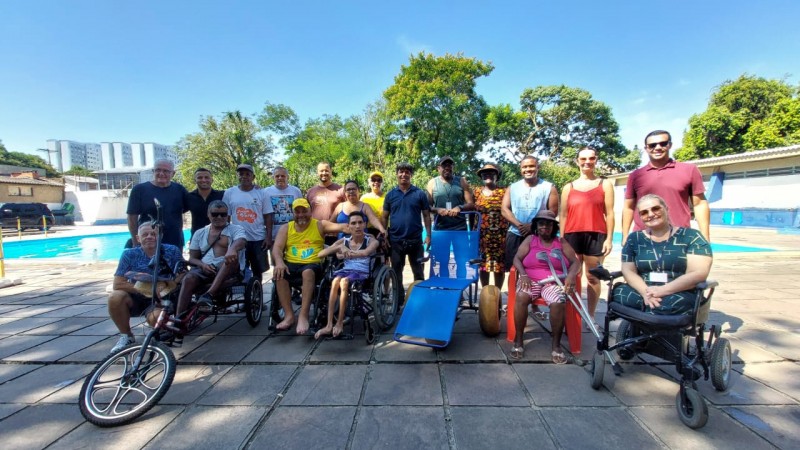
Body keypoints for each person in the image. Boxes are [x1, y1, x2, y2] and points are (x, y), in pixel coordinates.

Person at [615, 194, 713, 315]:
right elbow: (628, 270)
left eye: (656, 208)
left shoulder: (691, 237)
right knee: (619, 295)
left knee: (666, 305)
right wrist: (646, 292)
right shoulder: (634, 238)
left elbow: (698, 273)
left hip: (679, 290)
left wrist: (663, 290)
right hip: (643, 288)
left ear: (666, 209)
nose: (650, 214)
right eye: (644, 212)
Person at [510, 211, 580, 363]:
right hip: (531, 280)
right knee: (521, 296)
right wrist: (523, 274)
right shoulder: (530, 239)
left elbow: (575, 262)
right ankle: (519, 339)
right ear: (536, 226)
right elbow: (517, 258)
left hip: (553, 281)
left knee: (557, 303)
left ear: (553, 226)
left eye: (549, 224)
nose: (545, 227)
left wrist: (571, 275)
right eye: (541, 224)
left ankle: (556, 345)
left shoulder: (560, 242)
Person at [272, 198, 347, 335]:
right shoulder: (286, 228)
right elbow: (277, 248)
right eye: (297, 212)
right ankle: (289, 316)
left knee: (307, 272)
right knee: (279, 274)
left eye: (304, 211)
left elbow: (344, 227)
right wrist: (279, 262)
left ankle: (303, 316)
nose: (301, 215)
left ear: (310, 211)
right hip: (291, 264)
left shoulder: (319, 225)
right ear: (293, 213)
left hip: (313, 265)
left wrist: (360, 229)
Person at [107, 222, 185, 353]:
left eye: (153, 234)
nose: (149, 237)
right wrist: (147, 289)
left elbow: (183, 273)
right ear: (138, 238)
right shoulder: (129, 254)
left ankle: (158, 328)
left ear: (160, 236)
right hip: (137, 295)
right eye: (145, 234)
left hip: (161, 297)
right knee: (115, 297)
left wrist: (170, 284)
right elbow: (118, 283)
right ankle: (126, 336)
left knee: (155, 319)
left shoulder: (172, 251)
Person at [622, 130, 710, 245]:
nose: (657, 147)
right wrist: (625, 236)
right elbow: (629, 207)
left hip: (679, 238)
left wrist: (705, 236)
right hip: (643, 239)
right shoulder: (636, 176)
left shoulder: (689, 170)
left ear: (670, 145)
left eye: (663, 143)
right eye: (652, 145)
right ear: (646, 148)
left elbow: (699, 204)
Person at [559, 147, 615, 328]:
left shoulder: (604, 184)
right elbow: (564, 215)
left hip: (595, 235)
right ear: (577, 161)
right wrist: (561, 238)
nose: (587, 162)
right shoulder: (569, 187)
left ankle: (590, 314)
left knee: (593, 277)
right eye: (583, 159)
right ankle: (571, 315)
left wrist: (609, 239)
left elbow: (610, 213)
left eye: (591, 158)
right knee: (573, 276)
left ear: (596, 160)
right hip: (572, 236)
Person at [501, 155, 559, 318]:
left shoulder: (548, 187)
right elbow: (504, 209)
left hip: (538, 236)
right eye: (525, 167)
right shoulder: (513, 187)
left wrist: (532, 226)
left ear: (537, 167)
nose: (528, 170)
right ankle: (512, 301)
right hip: (515, 233)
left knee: (536, 269)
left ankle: (534, 305)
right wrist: (520, 225)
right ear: (521, 169)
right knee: (514, 270)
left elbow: (552, 211)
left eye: (531, 166)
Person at [314, 212, 379, 339]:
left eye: (360, 222)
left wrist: (345, 252)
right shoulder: (344, 240)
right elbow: (321, 254)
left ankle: (339, 323)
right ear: (348, 227)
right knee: (335, 281)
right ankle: (328, 325)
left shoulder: (371, 240)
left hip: (362, 273)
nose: (357, 226)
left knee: (343, 281)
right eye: (353, 223)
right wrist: (339, 248)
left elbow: (365, 252)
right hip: (346, 271)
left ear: (365, 224)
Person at [175, 200, 246, 317]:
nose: (219, 217)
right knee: (189, 278)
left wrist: (232, 249)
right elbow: (192, 258)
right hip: (206, 268)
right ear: (208, 214)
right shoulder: (200, 233)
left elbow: (241, 240)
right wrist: (203, 265)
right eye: (215, 214)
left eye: (223, 214)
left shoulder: (235, 229)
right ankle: (179, 317)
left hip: (229, 269)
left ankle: (209, 295)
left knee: (230, 259)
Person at [382, 162, 432, 298]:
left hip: (415, 240)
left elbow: (427, 215)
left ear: (411, 175)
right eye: (401, 172)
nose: (403, 174)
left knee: (419, 272)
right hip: (396, 241)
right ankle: (398, 302)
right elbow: (385, 217)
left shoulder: (420, 194)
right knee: (396, 272)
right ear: (397, 174)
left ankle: (419, 300)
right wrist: (384, 233)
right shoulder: (390, 195)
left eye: (407, 172)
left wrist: (428, 235)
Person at [222, 164, 273, 282]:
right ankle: (244, 297)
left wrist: (268, 237)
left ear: (253, 177)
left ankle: (257, 295)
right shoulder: (229, 193)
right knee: (239, 270)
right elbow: (226, 217)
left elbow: (268, 216)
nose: (244, 177)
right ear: (237, 176)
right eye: (241, 174)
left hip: (258, 239)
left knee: (258, 271)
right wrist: (226, 237)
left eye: (247, 174)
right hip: (238, 239)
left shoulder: (262, 193)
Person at [426, 155, 474, 278]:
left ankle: (460, 292)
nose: (447, 168)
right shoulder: (432, 183)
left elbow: (471, 204)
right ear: (438, 168)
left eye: (450, 165)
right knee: (442, 261)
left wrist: (460, 208)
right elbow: (427, 207)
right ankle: (445, 288)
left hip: (460, 229)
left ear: (453, 167)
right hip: (441, 229)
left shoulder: (461, 181)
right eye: (444, 165)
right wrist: (438, 210)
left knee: (462, 261)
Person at [126, 159, 189, 249]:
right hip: (148, 241)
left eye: (166, 171)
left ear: (173, 173)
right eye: (158, 170)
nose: (161, 173)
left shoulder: (180, 190)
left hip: (174, 241)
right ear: (153, 171)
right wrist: (135, 240)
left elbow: (190, 207)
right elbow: (131, 218)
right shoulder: (139, 190)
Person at [474, 163, 509, 288]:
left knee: (498, 267)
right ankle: (486, 296)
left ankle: (497, 297)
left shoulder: (504, 191)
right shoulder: (476, 192)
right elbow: (473, 213)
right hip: (482, 237)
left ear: (497, 175)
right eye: (485, 173)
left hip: (500, 236)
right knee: (484, 266)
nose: (487, 175)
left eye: (491, 173)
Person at [306, 162, 344, 244]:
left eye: (326, 170)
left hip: (334, 235)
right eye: (321, 171)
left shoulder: (340, 190)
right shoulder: (310, 192)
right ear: (317, 172)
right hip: (315, 233)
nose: (324, 173)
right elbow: (307, 213)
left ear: (331, 171)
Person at [263, 166, 303, 242]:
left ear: (287, 177)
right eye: (277, 176)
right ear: (273, 177)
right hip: (274, 236)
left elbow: (301, 211)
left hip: (293, 234)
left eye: (283, 176)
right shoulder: (266, 192)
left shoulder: (296, 191)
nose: (280, 178)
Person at [187, 167, 224, 238]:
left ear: (212, 180)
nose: (203, 180)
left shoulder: (222, 195)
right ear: (195, 180)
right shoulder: (189, 197)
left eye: (206, 177)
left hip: (219, 238)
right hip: (196, 238)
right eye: (200, 177)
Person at [360, 170, 386, 236]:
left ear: (382, 182)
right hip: (367, 230)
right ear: (369, 182)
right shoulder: (364, 198)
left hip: (384, 229)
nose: (376, 182)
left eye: (379, 180)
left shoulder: (387, 197)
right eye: (373, 180)